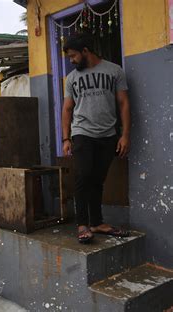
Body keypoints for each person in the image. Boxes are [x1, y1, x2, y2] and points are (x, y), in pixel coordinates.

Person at [61, 34, 131, 244]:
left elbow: (124, 104)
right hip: (82, 132)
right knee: (83, 176)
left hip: (108, 135)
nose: (71, 60)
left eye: (73, 56)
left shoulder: (114, 71)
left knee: (98, 180)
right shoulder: (72, 78)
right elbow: (66, 109)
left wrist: (125, 135)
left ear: (85, 50)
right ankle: (83, 224)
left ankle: (97, 223)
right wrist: (66, 138)